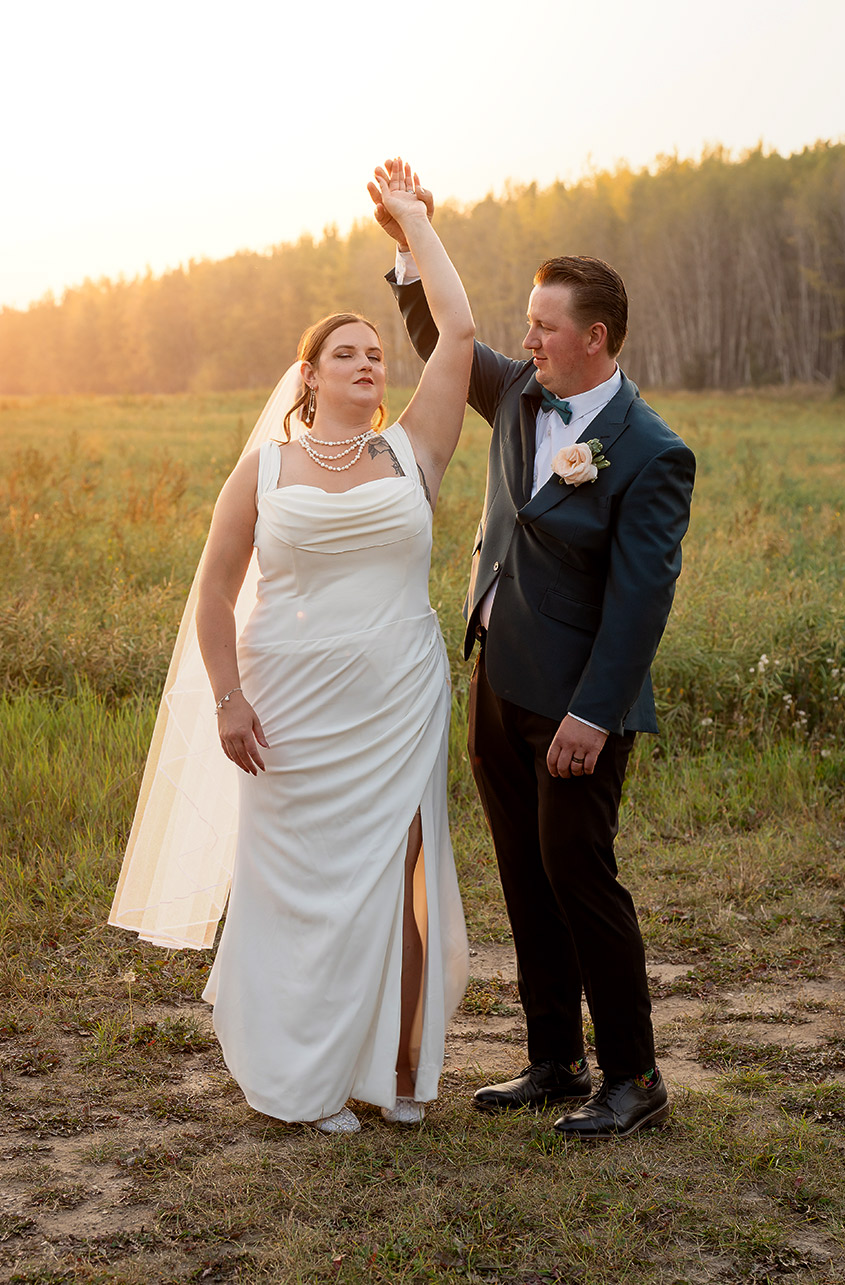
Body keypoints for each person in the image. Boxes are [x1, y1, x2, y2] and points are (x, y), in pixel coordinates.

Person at [110, 159, 473, 1134]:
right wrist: (228, 698)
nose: (368, 363)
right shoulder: (265, 470)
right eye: (346, 354)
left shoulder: (412, 452)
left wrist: (412, 225)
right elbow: (215, 590)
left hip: (397, 699)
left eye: (374, 354)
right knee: (301, 883)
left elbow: (462, 334)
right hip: (287, 708)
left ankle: (390, 1071)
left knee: (400, 880)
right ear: (308, 375)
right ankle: (301, 1074)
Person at [373, 173, 695, 1140]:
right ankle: (555, 1056)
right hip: (496, 680)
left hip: (577, 708)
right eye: (527, 323)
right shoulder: (518, 391)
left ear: (594, 337)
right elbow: (443, 340)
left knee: (579, 874)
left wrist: (593, 717)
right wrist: (406, 246)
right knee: (523, 869)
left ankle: (635, 1074)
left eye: (545, 325)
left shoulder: (650, 451)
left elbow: (642, 604)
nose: (531, 338)